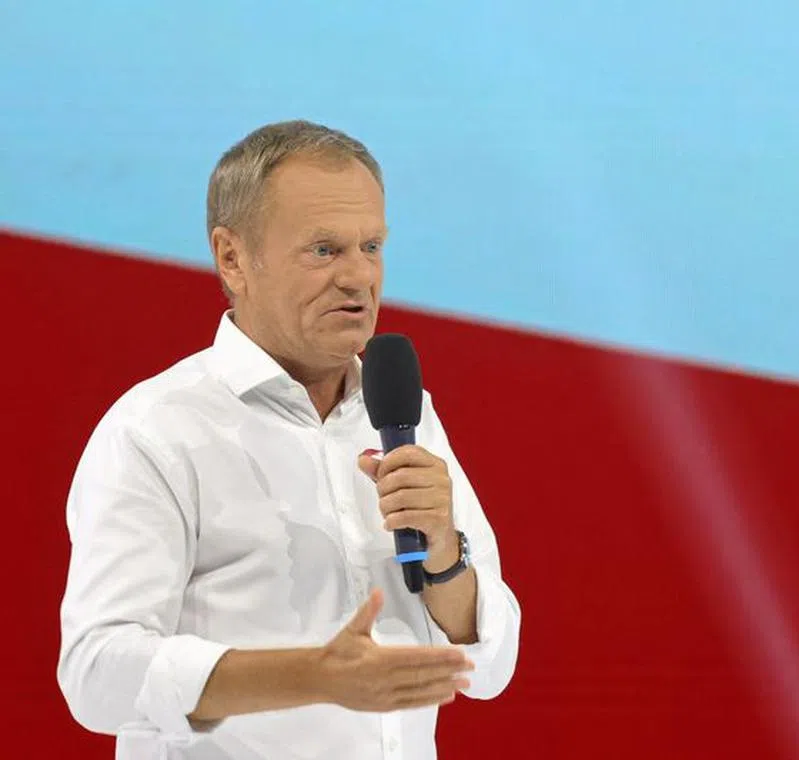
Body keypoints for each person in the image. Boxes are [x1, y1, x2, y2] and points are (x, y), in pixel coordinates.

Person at [56, 120, 521, 759]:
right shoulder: (156, 429)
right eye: (324, 250)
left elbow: (490, 667)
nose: (359, 277)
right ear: (232, 257)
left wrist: (445, 553)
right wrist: (312, 676)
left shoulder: (404, 415)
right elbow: (97, 675)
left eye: (372, 246)